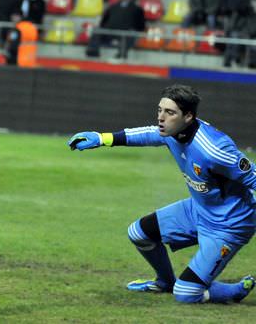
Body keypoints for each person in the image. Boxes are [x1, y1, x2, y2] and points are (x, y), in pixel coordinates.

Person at [68, 84, 255, 304]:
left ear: (188, 116)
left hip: (228, 224)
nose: (161, 118)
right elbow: (147, 134)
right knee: (138, 233)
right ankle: (165, 282)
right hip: (198, 210)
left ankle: (233, 291)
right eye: (160, 110)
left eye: (170, 112)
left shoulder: (215, 150)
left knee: (186, 294)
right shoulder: (171, 132)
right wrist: (102, 138)